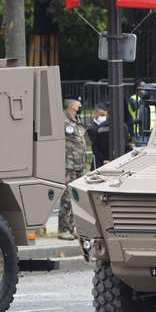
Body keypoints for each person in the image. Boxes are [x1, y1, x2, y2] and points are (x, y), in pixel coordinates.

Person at [59, 97, 87, 240]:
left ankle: (71, 228)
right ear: (71, 105)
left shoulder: (76, 120)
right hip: (68, 165)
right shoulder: (63, 121)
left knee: (76, 199)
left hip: (79, 165)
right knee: (66, 198)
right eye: (78, 103)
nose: (80, 105)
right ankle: (63, 229)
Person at [86, 102, 110, 170]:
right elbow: (95, 147)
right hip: (99, 161)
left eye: (105, 115)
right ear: (95, 113)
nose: (104, 118)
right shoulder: (92, 128)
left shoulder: (106, 126)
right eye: (102, 115)